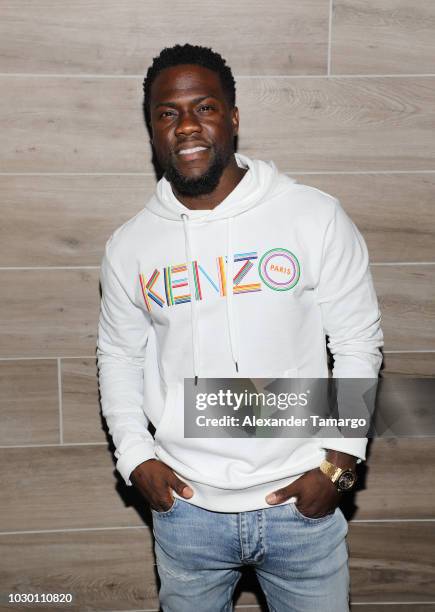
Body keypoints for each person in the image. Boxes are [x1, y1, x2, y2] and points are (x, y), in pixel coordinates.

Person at [97, 43, 383, 612]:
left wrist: (340, 462)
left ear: (232, 116)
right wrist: (136, 460)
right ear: (152, 129)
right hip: (188, 510)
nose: (186, 126)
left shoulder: (312, 215)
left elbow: (356, 343)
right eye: (168, 113)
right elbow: (119, 358)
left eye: (203, 107)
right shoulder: (131, 245)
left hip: (302, 500)